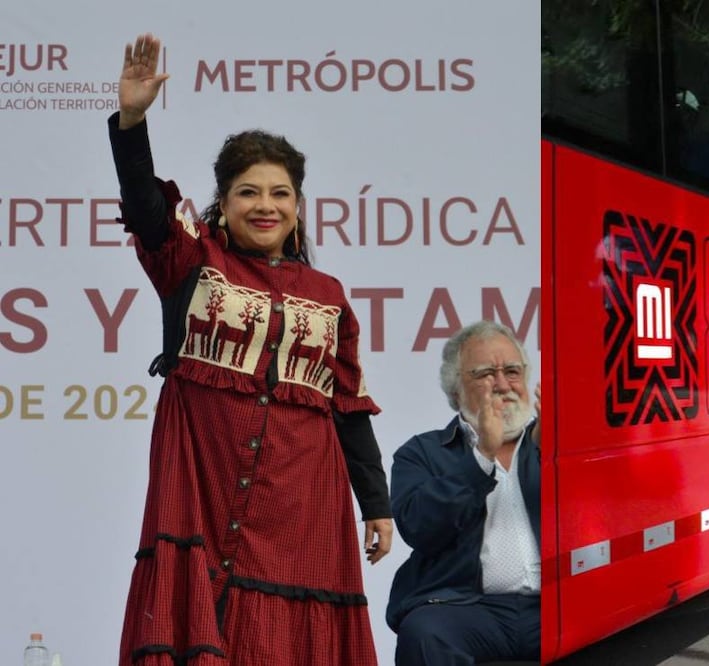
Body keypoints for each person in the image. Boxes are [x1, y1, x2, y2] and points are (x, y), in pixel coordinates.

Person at [108, 33, 392, 665]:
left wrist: (377, 506)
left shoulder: (328, 293)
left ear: (297, 205)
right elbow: (145, 208)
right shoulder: (190, 259)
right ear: (224, 201)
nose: (265, 205)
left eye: (279, 193)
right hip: (203, 481)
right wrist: (131, 124)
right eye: (249, 192)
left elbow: (347, 404)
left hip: (304, 498)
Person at [387, 321, 541, 665]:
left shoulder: (548, 443)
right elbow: (420, 529)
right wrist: (481, 456)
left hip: (551, 607)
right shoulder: (422, 452)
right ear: (456, 391)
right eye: (486, 373)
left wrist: (562, 454)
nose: (503, 385)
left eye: (513, 371)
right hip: (467, 609)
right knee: (424, 633)